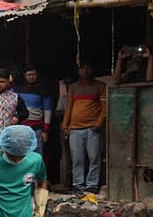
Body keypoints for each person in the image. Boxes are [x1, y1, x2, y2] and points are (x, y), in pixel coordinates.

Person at [62, 62, 106, 194]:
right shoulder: (73, 87)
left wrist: (99, 123)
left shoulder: (100, 86)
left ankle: (92, 184)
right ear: (78, 70)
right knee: (77, 159)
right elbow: (69, 107)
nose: (85, 71)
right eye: (83, 68)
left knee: (94, 157)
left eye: (88, 68)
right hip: (75, 128)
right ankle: (78, 184)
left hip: (93, 127)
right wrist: (65, 125)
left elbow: (104, 108)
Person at [14, 67, 54, 154]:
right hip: (20, 128)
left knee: (36, 154)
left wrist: (45, 130)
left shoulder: (43, 90)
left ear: (37, 75)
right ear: (24, 76)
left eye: (33, 74)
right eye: (29, 75)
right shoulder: (16, 90)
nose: (31, 77)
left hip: (37, 128)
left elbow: (47, 111)